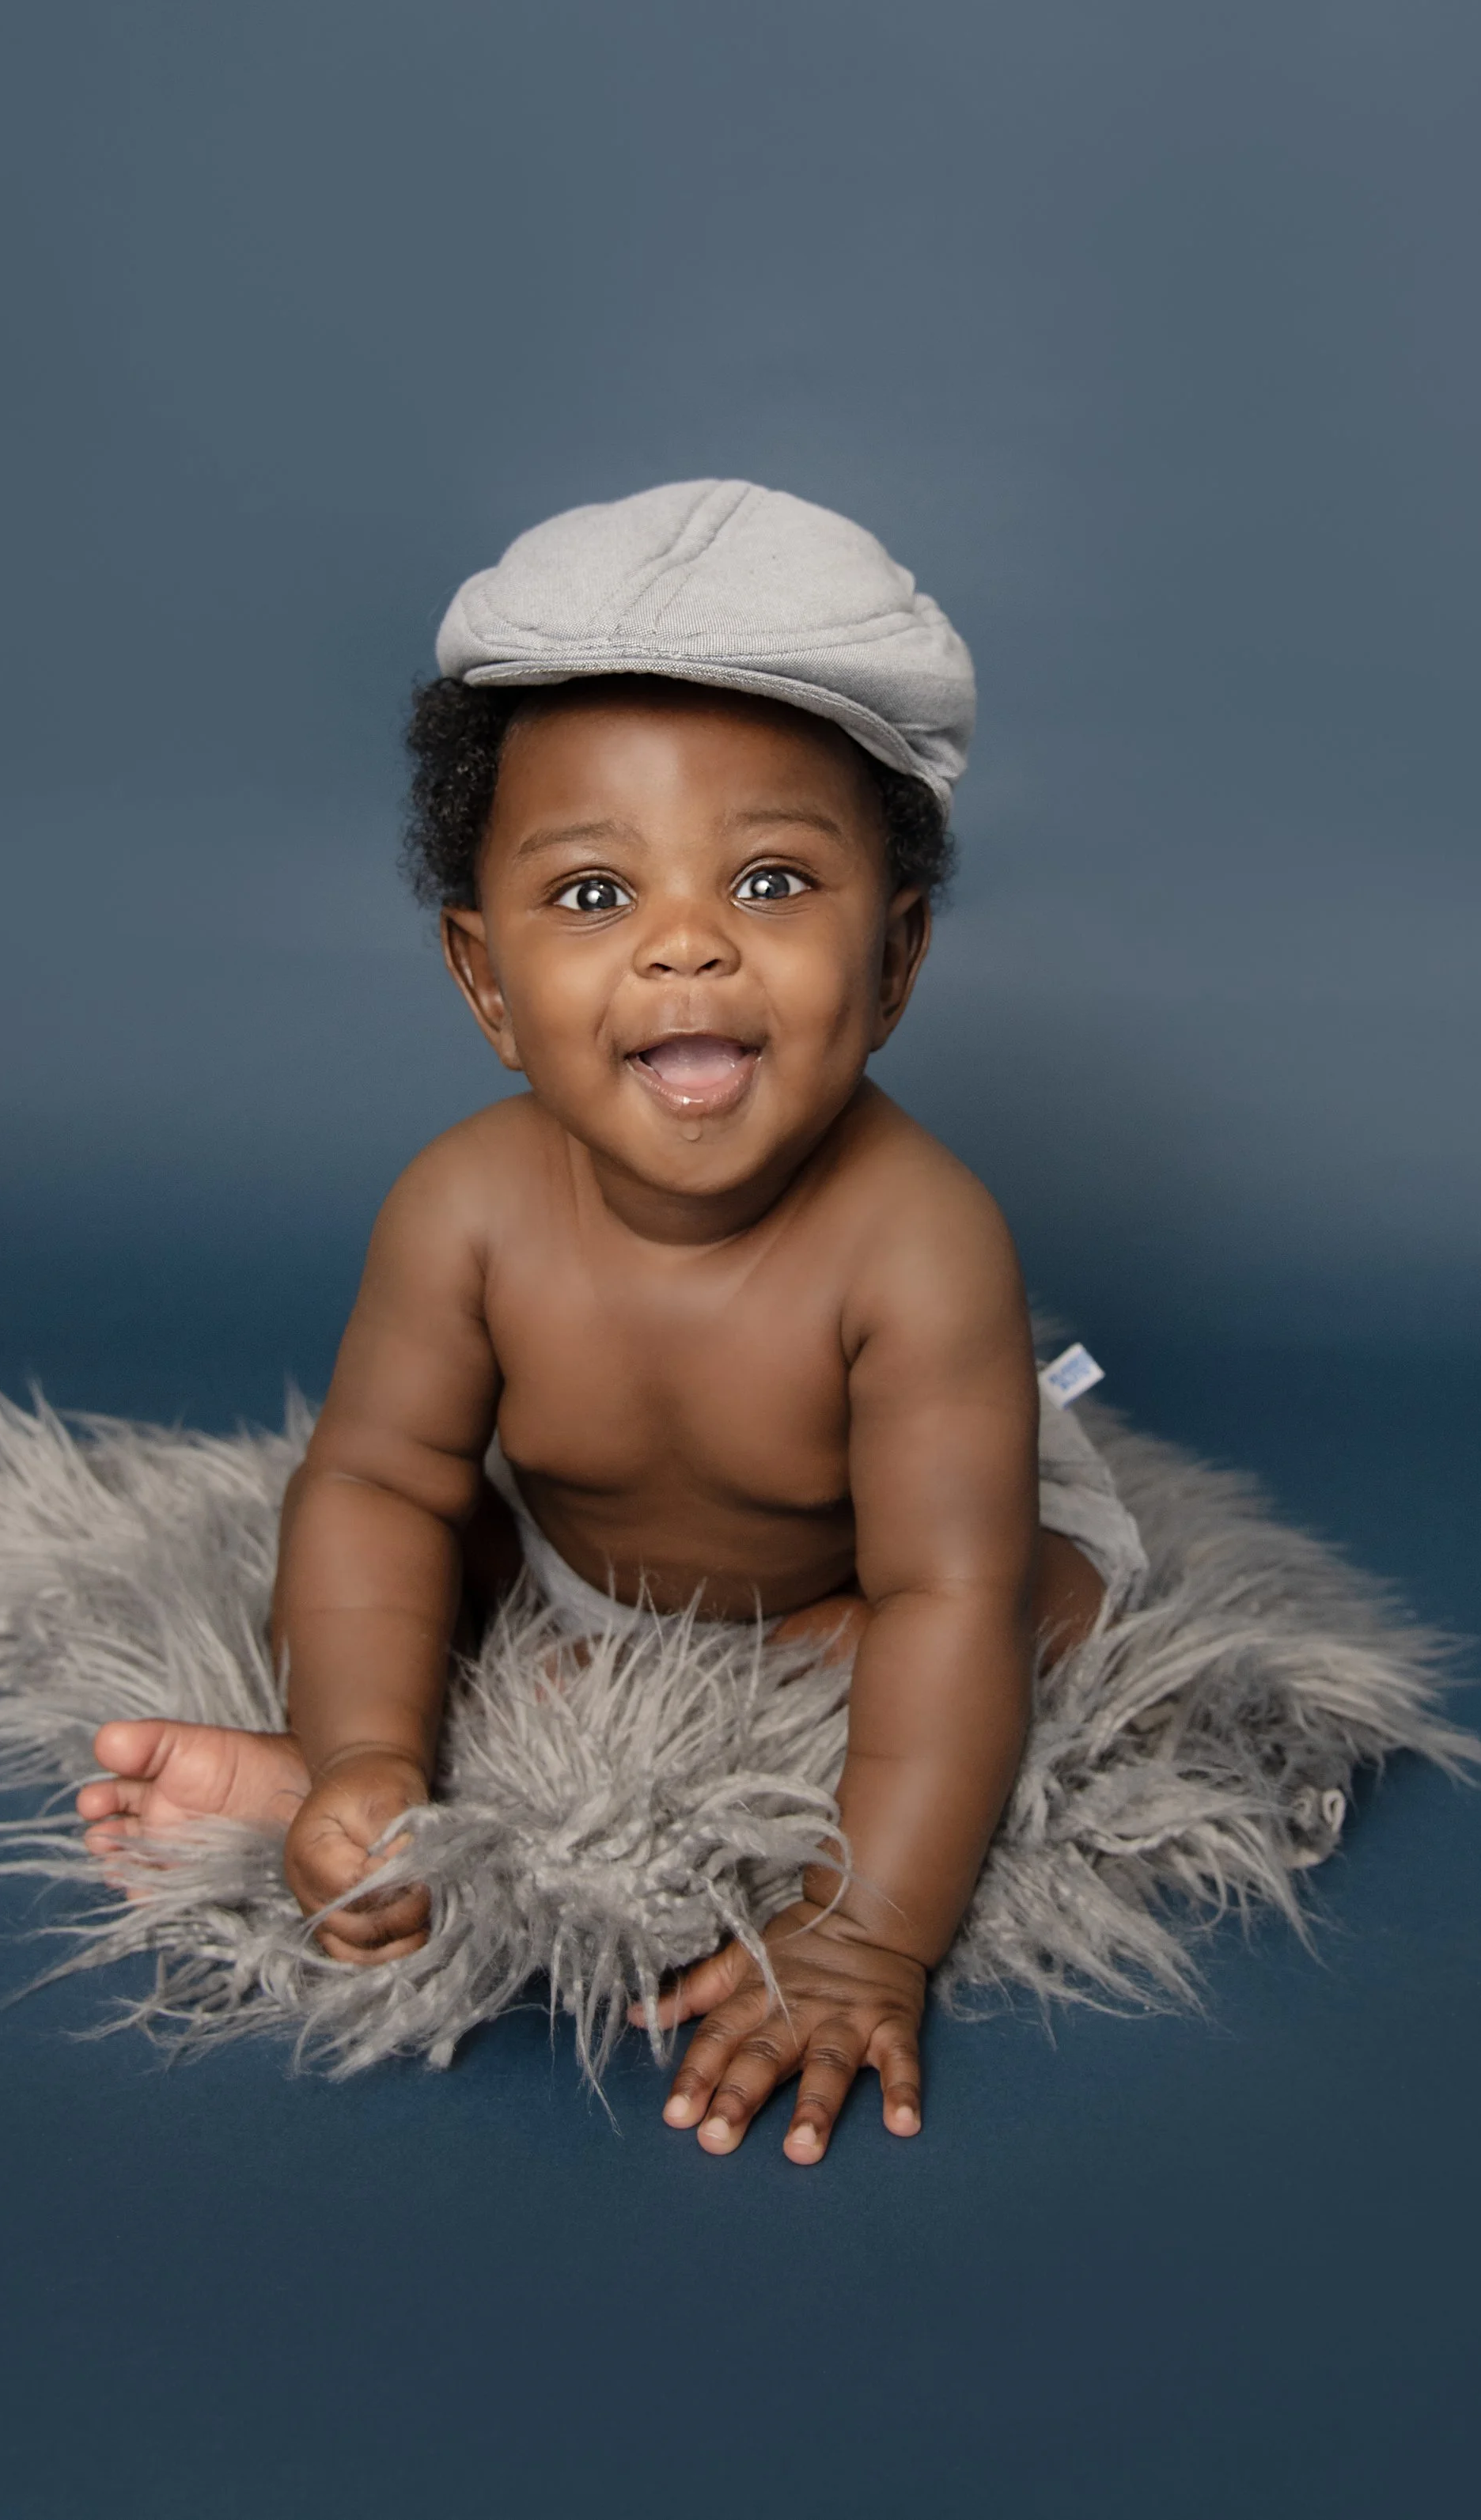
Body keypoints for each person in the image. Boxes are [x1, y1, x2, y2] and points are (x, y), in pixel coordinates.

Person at [76, 479, 1143, 2163]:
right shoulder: (465, 1208)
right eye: (591, 899)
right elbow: (374, 1483)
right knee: (426, 1562)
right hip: (590, 1549)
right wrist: (362, 1734)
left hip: (888, 1556)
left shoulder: (919, 1242)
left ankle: (777, 1685)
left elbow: (944, 1583)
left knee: (1015, 1610)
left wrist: (864, 1931)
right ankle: (349, 1794)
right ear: (484, 980)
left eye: (774, 882)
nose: (684, 950)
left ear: (898, 959)